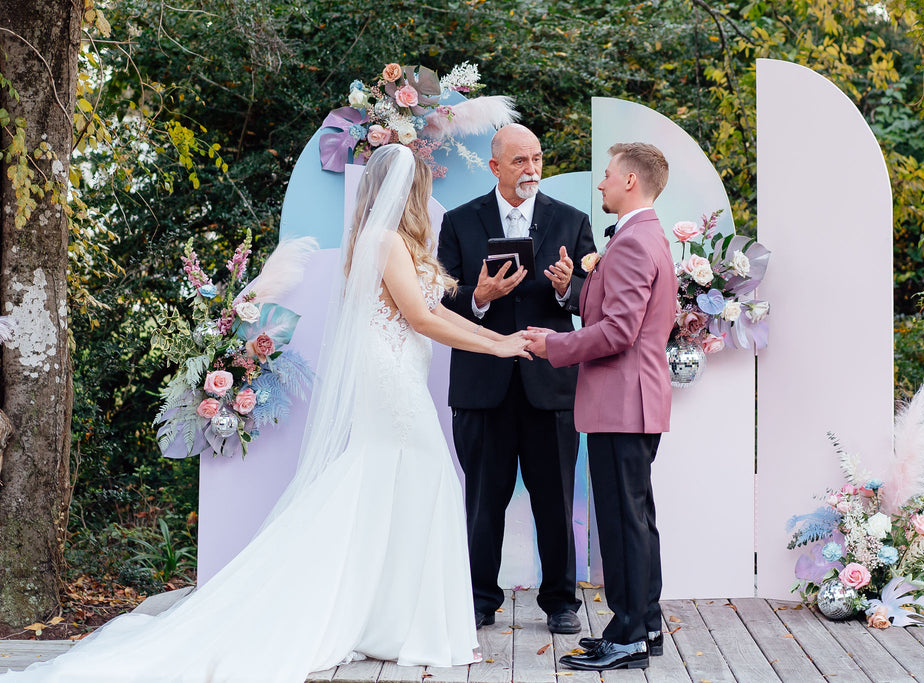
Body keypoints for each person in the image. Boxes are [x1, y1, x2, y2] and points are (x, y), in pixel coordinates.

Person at [2, 145, 532, 682]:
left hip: (398, 367)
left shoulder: (385, 239)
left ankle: (386, 618)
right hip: (391, 374)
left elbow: (435, 311)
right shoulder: (385, 240)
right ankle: (395, 621)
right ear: (406, 190)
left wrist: (500, 338)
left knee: (396, 481)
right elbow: (420, 318)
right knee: (422, 474)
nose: (426, 197)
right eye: (421, 186)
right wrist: (497, 348)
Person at [437, 124, 596, 634]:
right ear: (495, 167)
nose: (532, 169)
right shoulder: (460, 223)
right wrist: (479, 296)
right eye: (520, 161)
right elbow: (439, 299)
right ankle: (481, 598)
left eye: (537, 158)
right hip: (483, 386)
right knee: (484, 500)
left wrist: (567, 291)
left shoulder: (571, 221)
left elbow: (593, 301)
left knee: (556, 499)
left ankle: (560, 602)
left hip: (549, 385)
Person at [524, 142, 677, 671]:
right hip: (630, 401)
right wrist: (572, 294)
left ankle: (629, 634)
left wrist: (554, 346)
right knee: (635, 518)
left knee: (621, 521)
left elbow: (618, 331)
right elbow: (609, 308)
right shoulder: (641, 236)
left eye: (608, 175)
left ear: (631, 181)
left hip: (623, 401)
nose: (601, 183)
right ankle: (645, 624)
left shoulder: (635, 241)